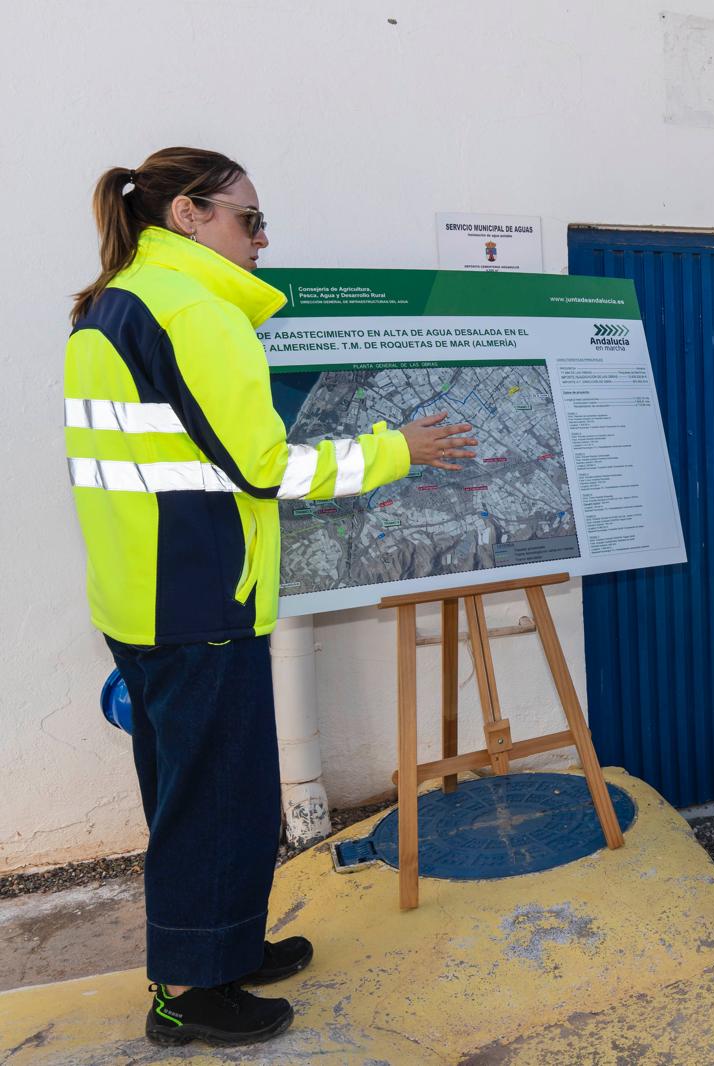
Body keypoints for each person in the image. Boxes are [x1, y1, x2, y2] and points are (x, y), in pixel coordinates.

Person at [65, 147, 476, 1047]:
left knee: (205, 792)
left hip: (146, 596)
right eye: (248, 220)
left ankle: (227, 948)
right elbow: (264, 465)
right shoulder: (196, 313)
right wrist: (398, 448)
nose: (262, 238)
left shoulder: (114, 307)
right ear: (187, 216)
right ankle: (188, 993)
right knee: (214, 801)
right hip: (199, 600)